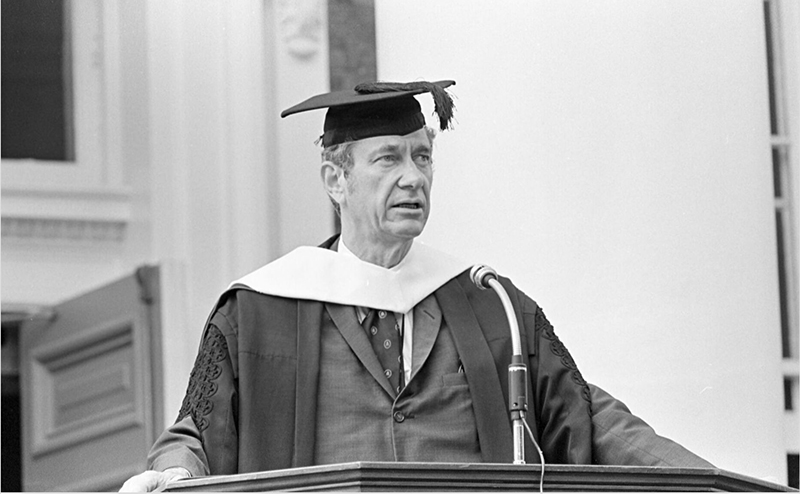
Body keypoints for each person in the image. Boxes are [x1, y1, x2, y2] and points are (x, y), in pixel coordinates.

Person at [121, 80, 712, 492]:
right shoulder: (258, 311)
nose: (413, 177)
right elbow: (197, 433)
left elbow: (585, 417)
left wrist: (713, 482)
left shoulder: (491, 305)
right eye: (388, 159)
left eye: (422, 157)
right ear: (335, 177)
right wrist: (172, 478)